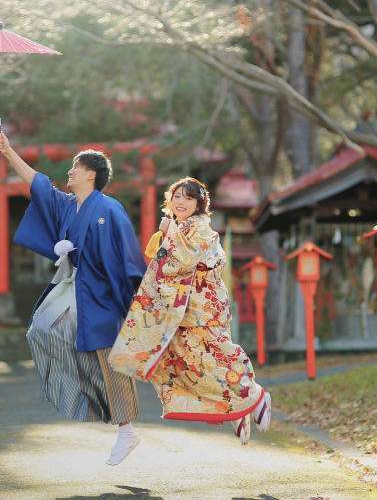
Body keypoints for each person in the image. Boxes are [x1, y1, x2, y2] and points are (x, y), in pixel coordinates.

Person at [0, 132, 147, 465]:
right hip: (75, 288)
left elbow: (128, 256)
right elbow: (39, 185)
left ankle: (126, 430)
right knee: (42, 329)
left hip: (105, 294)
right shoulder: (67, 206)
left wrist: (136, 301)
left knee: (109, 358)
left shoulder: (110, 208)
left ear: (91, 174)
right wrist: (8, 152)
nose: (70, 171)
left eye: (76, 166)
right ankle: (88, 398)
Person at [109, 177, 271, 445]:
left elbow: (185, 261)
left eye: (188, 198)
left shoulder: (202, 230)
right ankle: (237, 408)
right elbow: (163, 269)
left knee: (216, 357)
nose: (181, 202)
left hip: (204, 310)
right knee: (182, 364)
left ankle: (254, 395)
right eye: (177, 196)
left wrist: (170, 233)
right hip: (179, 312)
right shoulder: (177, 228)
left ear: (199, 204)